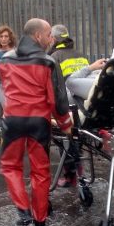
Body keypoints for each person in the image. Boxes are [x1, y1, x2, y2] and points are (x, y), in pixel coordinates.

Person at [0, 18, 72, 226]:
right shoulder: (48, 62)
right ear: (38, 36)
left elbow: (7, 90)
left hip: (12, 121)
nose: (52, 39)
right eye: (49, 35)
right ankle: (40, 220)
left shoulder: (4, 60)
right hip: (39, 123)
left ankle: (23, 212)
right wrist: (65, 123)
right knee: (41, 172)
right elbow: (58, 99)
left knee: (11, 167)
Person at [48, 24, 89, 187]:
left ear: (53, 39)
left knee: (64, 140)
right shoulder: (80, 55)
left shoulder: (54, 56)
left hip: (66, 104)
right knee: (77, 141)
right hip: (81, 103)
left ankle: (69, 176)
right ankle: (80, 174)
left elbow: (54, 85)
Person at [0, 25, 15, 120]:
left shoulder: (15, 53)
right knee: (6, 111)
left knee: (15, 111)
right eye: (1, 36)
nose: (3, 39)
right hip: (1, 86)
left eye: (6, 36)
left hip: (14, 86)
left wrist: (2, 75)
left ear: (10, 38)